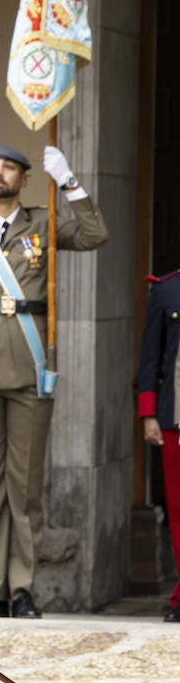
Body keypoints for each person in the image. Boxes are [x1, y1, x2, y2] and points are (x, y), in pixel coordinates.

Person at [0, 144, 108, 618]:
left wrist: (69, 182)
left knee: (25, 486)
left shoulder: (44, 224)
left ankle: (22, 588)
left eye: (8, 167)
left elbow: (95, 234)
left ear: (25, 179)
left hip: (32, 369)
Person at [137, 266, 180, 621]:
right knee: (178, 511)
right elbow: (151, 356)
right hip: (175, 418)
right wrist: (148, 413)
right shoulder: (166, 290)